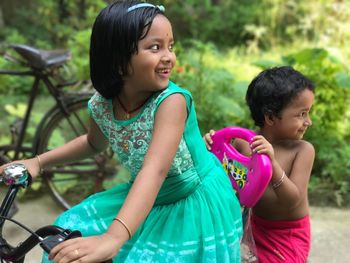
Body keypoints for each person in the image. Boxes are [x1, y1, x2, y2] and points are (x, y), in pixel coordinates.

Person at [0, 1, 243, 262]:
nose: (169, 57)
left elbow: (155, 170)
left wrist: (113, 237)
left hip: (191, 202)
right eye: (155, 47)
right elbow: (92, 143)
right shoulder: (102, 104)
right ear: (117, 59)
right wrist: (38, 162)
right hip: (146, 195)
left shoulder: (172, 102)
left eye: (170, 46)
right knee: (66, 234)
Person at [204, 66, 315, 263]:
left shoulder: (302, 150)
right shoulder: (242, 144)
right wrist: (210, 150)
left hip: (287, 235)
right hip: (253, 227)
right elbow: (223, 187)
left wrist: (272, 164)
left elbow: (292, 201)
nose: (309, 121)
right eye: (302, 114)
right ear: (270, 117)